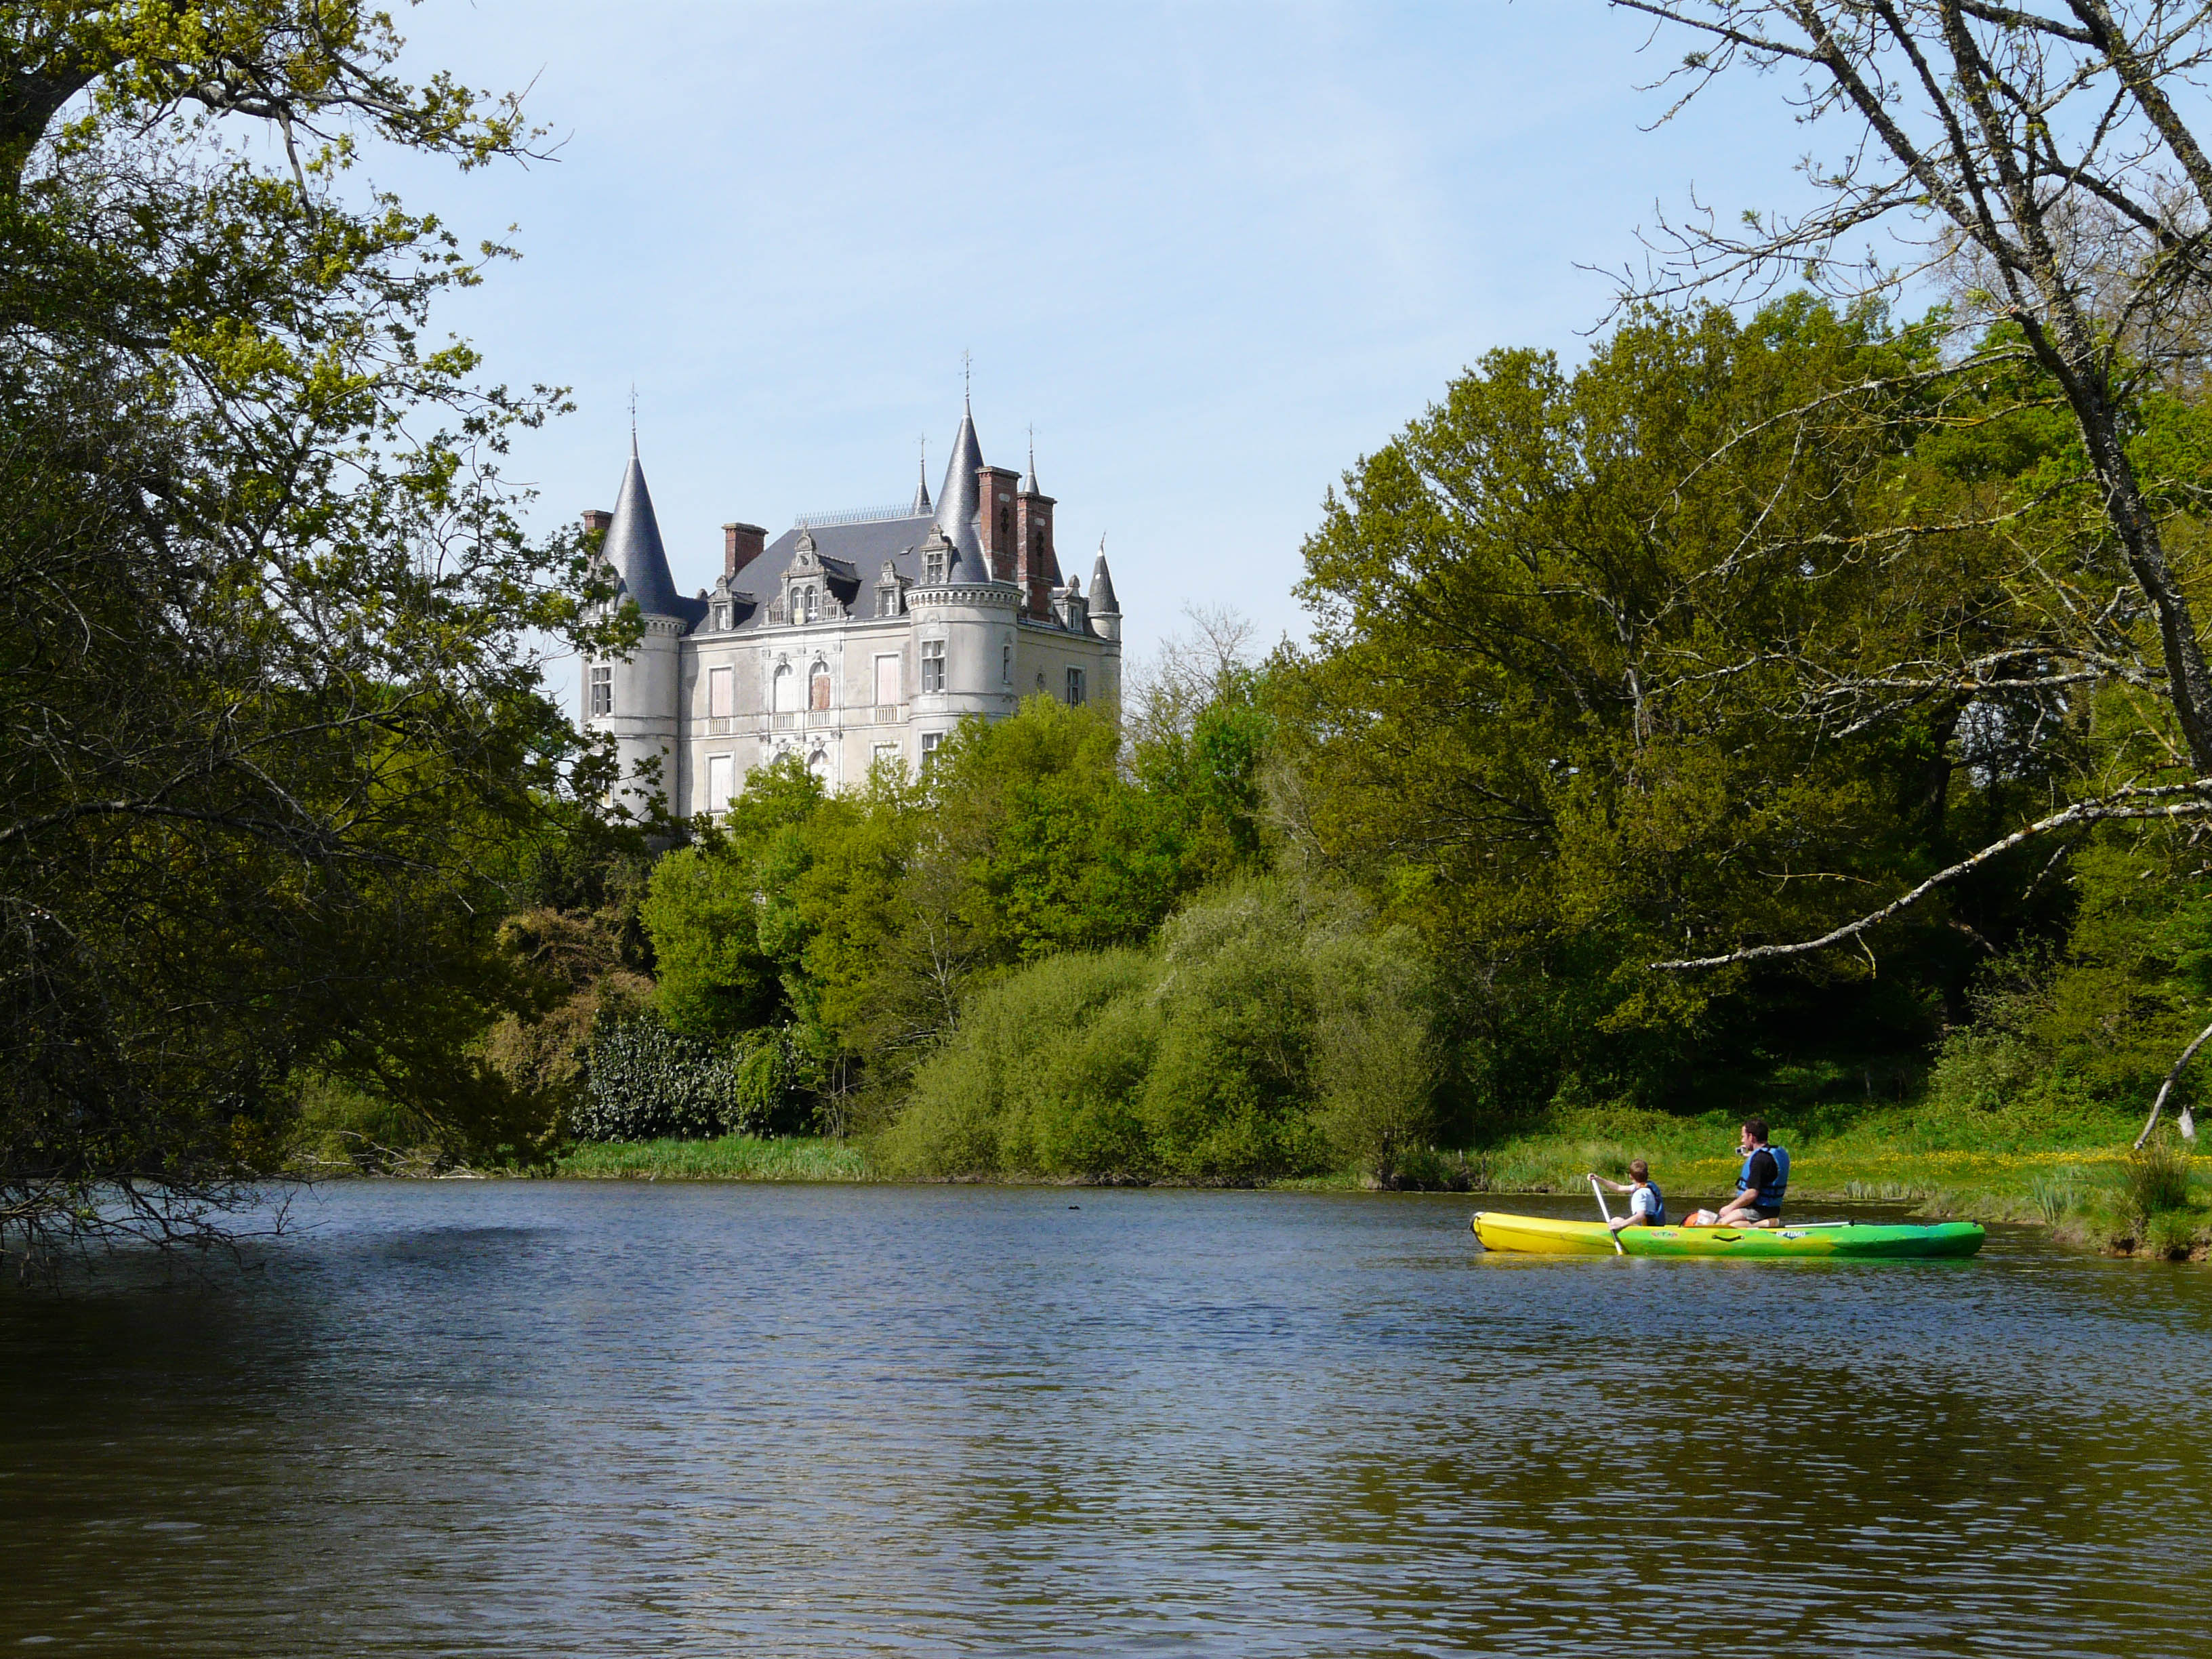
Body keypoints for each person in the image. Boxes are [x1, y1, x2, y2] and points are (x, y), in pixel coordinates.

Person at [1681, 1118, 1790, 1228]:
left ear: (1751, 1137)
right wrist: (1751, 1155)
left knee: (1723, 1224)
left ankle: (1766, 1223)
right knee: (1726, 1221)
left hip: (1759, 1210)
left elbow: (1752, 1193)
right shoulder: (1768, 1154)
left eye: (1743, 1136)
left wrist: (1730, 1207)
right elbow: (1766, 1166)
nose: (1742, 1141)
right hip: (1770, 1209)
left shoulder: (1760, 1160)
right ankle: (1763, 1223)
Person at [1590, 1159, 1666, 1232]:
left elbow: (1641, 1216)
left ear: (1630, 1177)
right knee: (1618, 1220)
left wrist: (1621, 1225)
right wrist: (1598, 1179)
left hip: (1646, 1232)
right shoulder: (1645, 1187)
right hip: (1652, 1229)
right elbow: (1618, 1188)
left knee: (1616, 1221)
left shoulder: (1640, 1194)